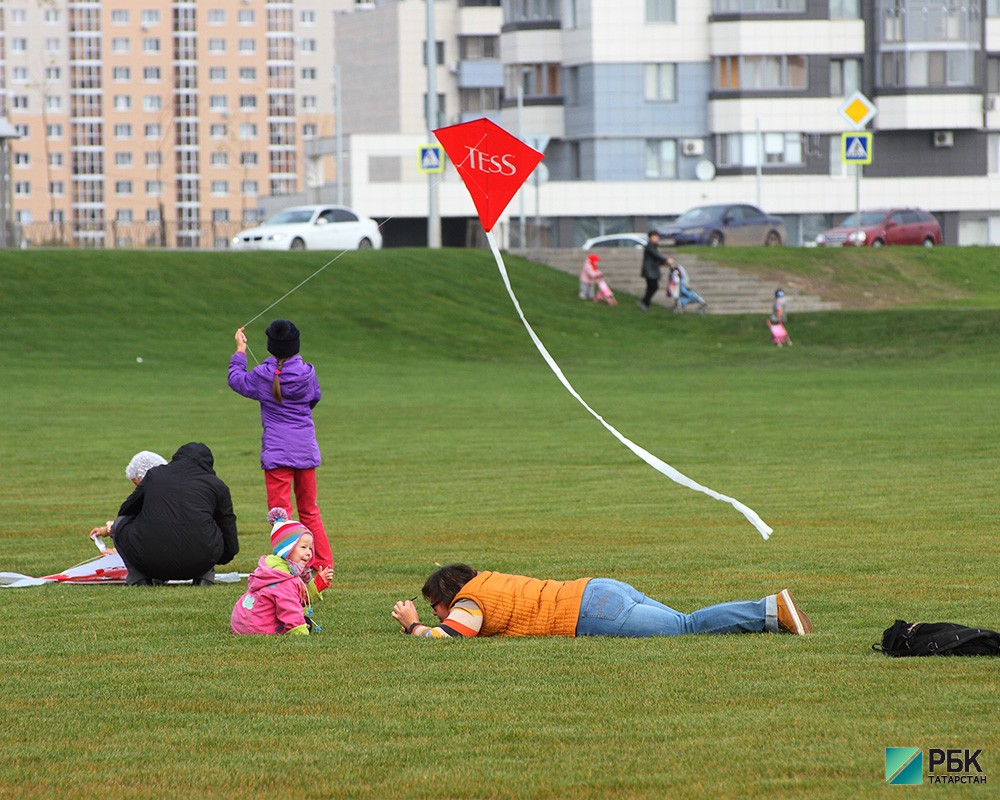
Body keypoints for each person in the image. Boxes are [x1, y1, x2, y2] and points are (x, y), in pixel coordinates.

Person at [391, 564, 812, 639]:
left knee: (687, 626)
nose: (434, 613)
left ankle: (769, 610)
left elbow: (451, 634)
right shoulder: (488, 581)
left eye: (433, 605)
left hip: (590, 612)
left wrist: (413, 625)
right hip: (599, 588)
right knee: (684, 622)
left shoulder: (469, 601)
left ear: (450, 595)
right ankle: (772, 613)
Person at [228, 319, 333, 572]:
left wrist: (240, 352)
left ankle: (289, 568)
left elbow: (236, 380)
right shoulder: (307, 372)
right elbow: (314, 398)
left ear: (271, 346)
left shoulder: (263, 375)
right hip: (305, 449)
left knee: (280, 515)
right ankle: (322, 564)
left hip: (277, 453)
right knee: (309, 510)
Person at [109, 442, 240, 586]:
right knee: (212, 524)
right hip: (200, 561)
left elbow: (127, 510)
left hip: (150, 560)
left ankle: (139, 578)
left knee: (120, 523)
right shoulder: (217, 485)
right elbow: (227, 526)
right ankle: (205, 577)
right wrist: (220, 557)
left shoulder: (155, 474)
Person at [231, 508, 333, 635]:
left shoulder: (276, 568)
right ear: (286, 549)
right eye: (303, 547)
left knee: (305, 621)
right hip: (257, 627)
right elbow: (290, 610)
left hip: (244, 622)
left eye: (310, 548)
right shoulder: (283, 579)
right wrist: (301, 632)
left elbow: (297, 596)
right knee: (304, 624)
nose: (308, 553)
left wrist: (318, 583)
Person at [88, 451, 167, 551]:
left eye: (137, 484)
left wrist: (116, 552)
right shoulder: (166, 494)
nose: (137, 489)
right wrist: (105, 530)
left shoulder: (159, 502)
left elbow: (146, 535)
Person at [638, 230, 667, 311]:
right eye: (654, 237)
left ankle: (645, 302)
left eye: (657, 237)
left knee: (651, 287)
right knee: (653, 287)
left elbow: (654, 258)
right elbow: (656, 255)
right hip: (649, 270)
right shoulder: (650, 246)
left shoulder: (654, 246)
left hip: (652, 270)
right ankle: (644, 302)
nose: (656, 238)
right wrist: (666, 260)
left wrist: (662, 263)